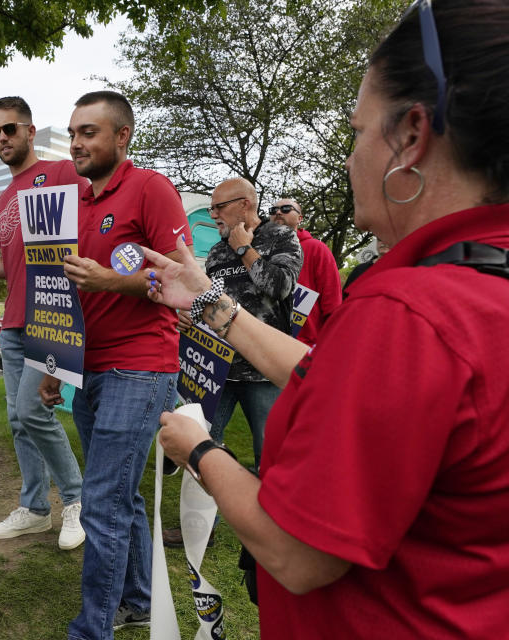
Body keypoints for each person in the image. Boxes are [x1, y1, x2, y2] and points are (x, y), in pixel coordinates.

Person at [145, 0, 509, 636]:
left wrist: (199, 449)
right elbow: (331, 374)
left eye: (356, 133)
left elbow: (295, 552)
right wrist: (205, 300)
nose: (349, 159)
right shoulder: (478, 281)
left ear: (413, 135)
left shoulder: (409, 315)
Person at [38, 90, 187, 639]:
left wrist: (112, 279)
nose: (76, 142)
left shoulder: (151, 188)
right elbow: (65, 296)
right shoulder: (73, 203)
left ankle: (91, 630)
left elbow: (180, 281)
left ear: (121, 137)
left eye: (89, 132)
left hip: (142, 367)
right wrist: (56, 363)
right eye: (73, 132)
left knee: (100, 502)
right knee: (119, 496)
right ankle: (139, 602)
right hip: (89, 368)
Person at [162, 179, 301, 550]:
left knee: (271, 455)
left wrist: (245, 248)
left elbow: (279, 286)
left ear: (244, 205)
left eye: (218, 208)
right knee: (202, 447)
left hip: (265, 371)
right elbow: (209, 294)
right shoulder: (219, 251)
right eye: (210, 209)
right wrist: (190, 313)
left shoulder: (281, 238)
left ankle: (274, 537)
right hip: (218, 368)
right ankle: (198, 530)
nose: (214, 215)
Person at [0, 97, 87, 550]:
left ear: (30, 131)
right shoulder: (2, 199)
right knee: (18, 420)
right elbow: (11, 264)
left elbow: (93, 226)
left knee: (32, 411)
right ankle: (36, 508)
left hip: (51, 317)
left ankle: (78, 501)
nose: (2, 138)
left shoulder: (62, 175)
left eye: (10, 129)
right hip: (14, 324)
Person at [268, 198, 341, 345]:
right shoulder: (261, 252)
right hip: (266, 343)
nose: (279, 212)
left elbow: (333, 303)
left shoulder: (316, 249)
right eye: (273, 210)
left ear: (300, 218)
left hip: (304, 346)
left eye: (286, 209)